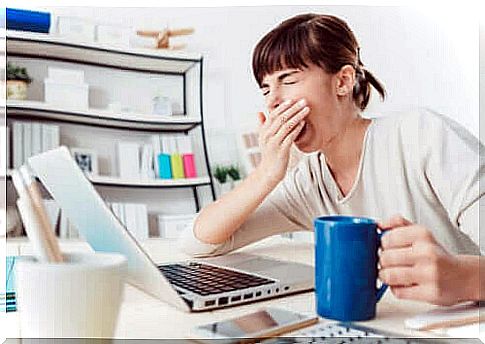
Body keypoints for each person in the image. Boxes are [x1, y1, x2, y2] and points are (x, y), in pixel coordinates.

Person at [178, 13, 484, 306]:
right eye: (266, 88)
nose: (272, 100)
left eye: (288, 79)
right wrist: (265, 174)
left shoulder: (421, 135)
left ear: (343, 81)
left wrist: (464, 278)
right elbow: (200, 243)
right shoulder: (308, 183)